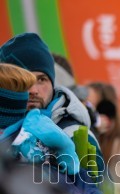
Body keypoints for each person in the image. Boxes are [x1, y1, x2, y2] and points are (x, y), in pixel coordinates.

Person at [0, 32, 103, 173]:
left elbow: (98, 192)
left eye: (41, 79)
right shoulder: (6, 128)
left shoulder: (75, 134)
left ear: (52, 83)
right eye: (26, 81)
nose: (33, 90)